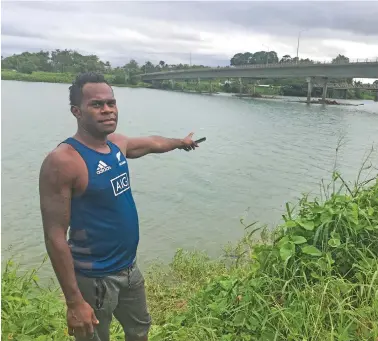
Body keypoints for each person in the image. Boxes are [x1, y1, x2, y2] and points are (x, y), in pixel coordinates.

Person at [39, 72, 200, 341]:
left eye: (111, 103)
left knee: (139, 330)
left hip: (129, 268)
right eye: (97, 105)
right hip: (94, 278)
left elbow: (152, 143)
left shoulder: (116, 144)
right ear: (76, 111)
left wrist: (180, 143)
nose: (107, 110)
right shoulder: (64, 161)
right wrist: (74, 302)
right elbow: (54, 235)